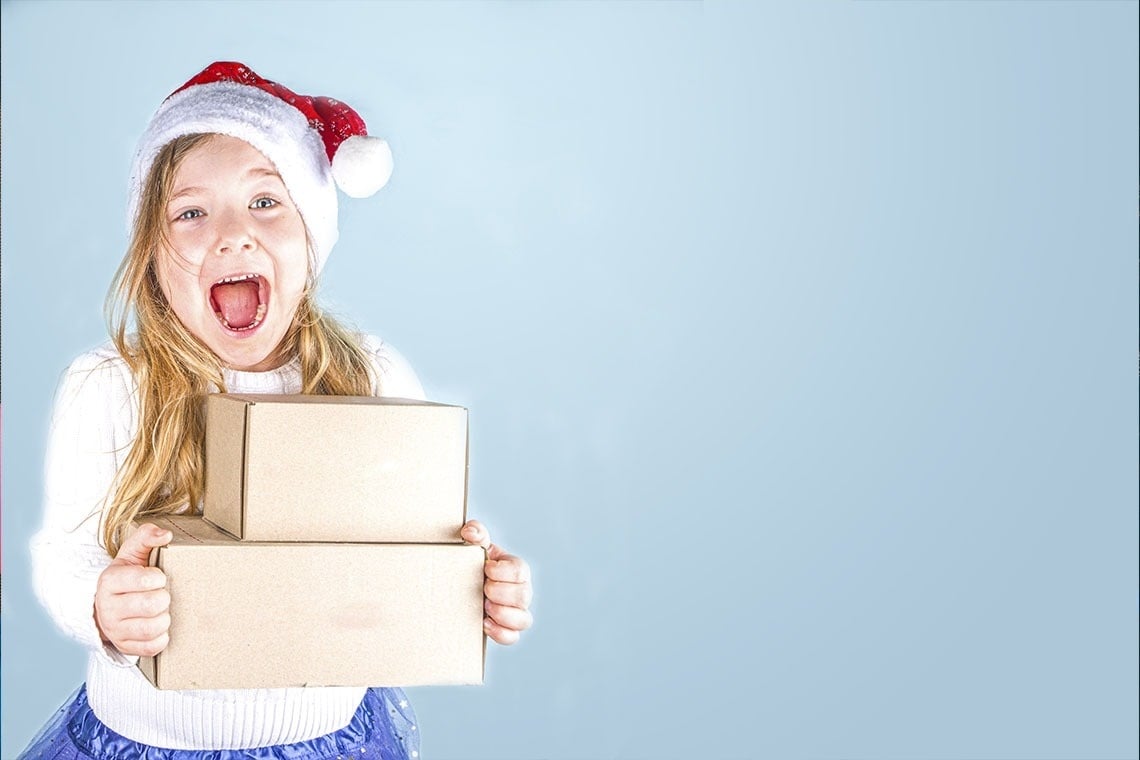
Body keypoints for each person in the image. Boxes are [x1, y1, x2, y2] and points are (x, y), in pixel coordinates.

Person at [22, 61, 533, 760]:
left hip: (330, 739)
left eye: (266, 202)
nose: (232, 233)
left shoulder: (372, 380)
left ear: (312, 239)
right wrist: (102, 606)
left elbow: (419, 557)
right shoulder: (111, 388)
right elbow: (63, 557)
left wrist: (480, 584)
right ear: (152, 259)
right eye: (191, 212)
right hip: (141, 740)